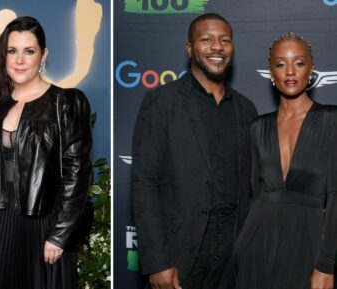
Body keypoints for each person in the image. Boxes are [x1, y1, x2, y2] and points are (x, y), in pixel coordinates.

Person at [132, 13, 257, 289]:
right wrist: (157, 261)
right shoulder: (162, 102)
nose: (217, 46)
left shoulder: (246, 110)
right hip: (179, 254)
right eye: (207, 39)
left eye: (225, 40)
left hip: (234, 258)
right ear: (190, 48)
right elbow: (145, 184)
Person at [0, 16, 92, 289]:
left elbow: (77, 173)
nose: (19, 60)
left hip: (44, 222)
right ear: (3, 56)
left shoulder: (65, 102)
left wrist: (59, 235)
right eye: (12, 51)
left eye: (29, 51)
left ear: (43, 55)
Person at [235, 32, 337, 289]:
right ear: (270, 72)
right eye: (280, 64)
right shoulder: (258, 127)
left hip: (309, 246)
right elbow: (252, 194)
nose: (290, 71)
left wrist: (326, 263)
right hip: (257, 244)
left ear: (311, 69)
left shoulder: (331, 121)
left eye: (299, 63)